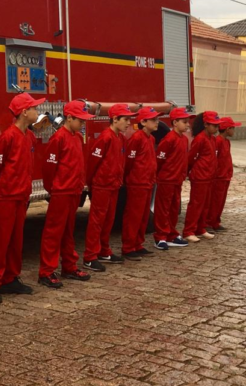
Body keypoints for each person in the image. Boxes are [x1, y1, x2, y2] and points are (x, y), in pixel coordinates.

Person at [0, 93, 42, 304]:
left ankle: (10, 278)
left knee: (16, 240)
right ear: (24, 112)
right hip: (7, 196)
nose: (38, 111)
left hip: (21, 196)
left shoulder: (29, 136)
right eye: (34, 108)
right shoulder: (8, 137)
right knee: (0, 241)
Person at [38, 100, 95, 288]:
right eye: (80, 120)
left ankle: (69, 266)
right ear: (69, 118)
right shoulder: (58, 138)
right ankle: (46, 271)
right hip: (62, 193)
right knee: (53, 232)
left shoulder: (77, 137)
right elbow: (48, 169)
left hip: (73, 191)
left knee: (68, 232)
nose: (83, 124)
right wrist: (54, 189)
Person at [83, 104, 135, 268]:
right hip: (102, 186)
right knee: (97, 221)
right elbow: (93, 163)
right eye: (125, 119)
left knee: (108, 220)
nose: (128, 123)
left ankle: (104, 251)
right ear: (115, 119)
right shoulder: (105, 138)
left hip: (113, 185)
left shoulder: (120, 138)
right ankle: (90, 256)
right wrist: (92, 184)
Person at [153, 107, 194, 250]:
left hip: (177, 180)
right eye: (184, 122)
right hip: (166, 180)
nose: (188, 125)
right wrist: (162, 176)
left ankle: (171, 234)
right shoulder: (168, 140)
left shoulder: (183, 139)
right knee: (163, 209)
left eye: (188, 122)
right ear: (175, 122)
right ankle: (160, 237)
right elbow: (159, 160)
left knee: (173, 208)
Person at [121, 107, 160, 258]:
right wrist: (132, 178)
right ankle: (128, 247)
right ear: (143, 122)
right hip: (137, 183)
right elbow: (129, 162)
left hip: (148, 183)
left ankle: (138, 243)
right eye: (153, 120)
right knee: (134, 216)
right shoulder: (136, 138)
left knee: (143, 216)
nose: (157, 122)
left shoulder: (151, 138)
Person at [182, 111, 220, 242]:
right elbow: (191, 157)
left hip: (209, 176)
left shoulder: (212, 139)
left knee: (205, 204)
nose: (216, 128)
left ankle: (200, 228)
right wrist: (188, 171)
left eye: (217, 126)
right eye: (214, 125)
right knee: (196, 204)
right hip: (200, 176)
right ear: (206, 125)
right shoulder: (200, 139)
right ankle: (188, 230)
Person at [206, 116, 239, 232]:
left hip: (225, 176)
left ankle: (215, 221)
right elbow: (215, 158)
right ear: (227, 129)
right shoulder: (218, 141)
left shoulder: (226, 141)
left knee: (220, 201)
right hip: (218, 176)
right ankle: (209, 223)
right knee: (215, 200)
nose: (234, 131)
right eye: (233, 128)